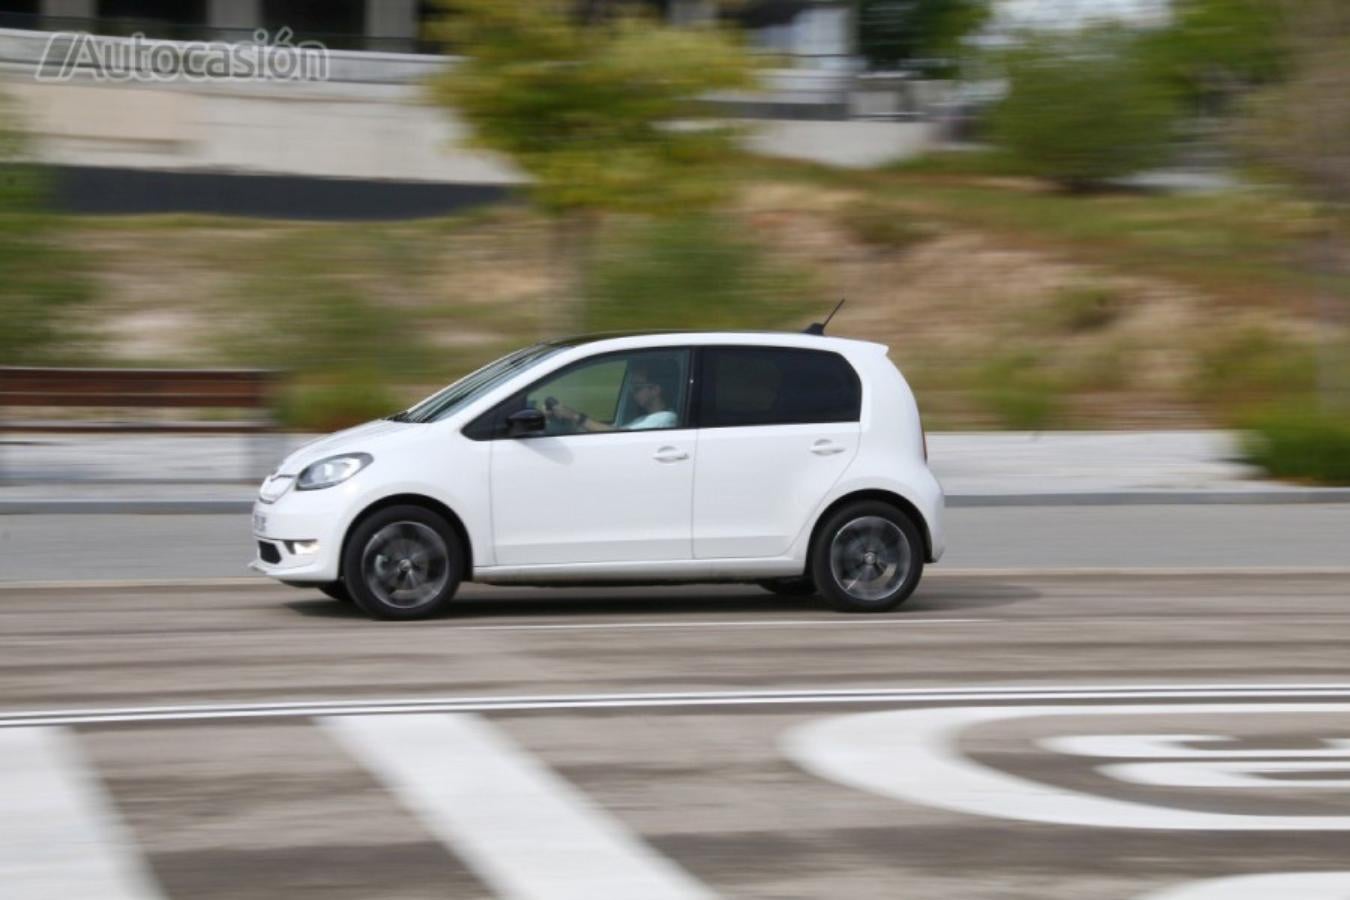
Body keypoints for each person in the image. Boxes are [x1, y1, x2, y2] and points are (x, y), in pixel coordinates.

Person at [547, 358, 679, 432]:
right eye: (631, 387)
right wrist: (565, 420)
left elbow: (617, 434)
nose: (632, 392)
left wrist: (575, 416)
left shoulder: (665, 419)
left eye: (637, 387)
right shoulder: (644, 418)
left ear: (655, 390)